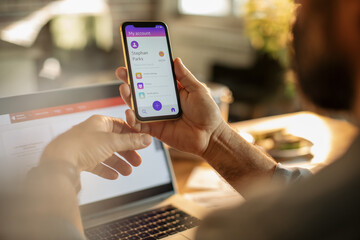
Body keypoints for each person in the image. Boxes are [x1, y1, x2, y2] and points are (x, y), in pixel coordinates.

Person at [2, 0, 360, 238]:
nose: (296, 15)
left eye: (303, 3)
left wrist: (58, 166)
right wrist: (214, 137)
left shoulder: (256, 229)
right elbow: (298, 192)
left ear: (348, 12)